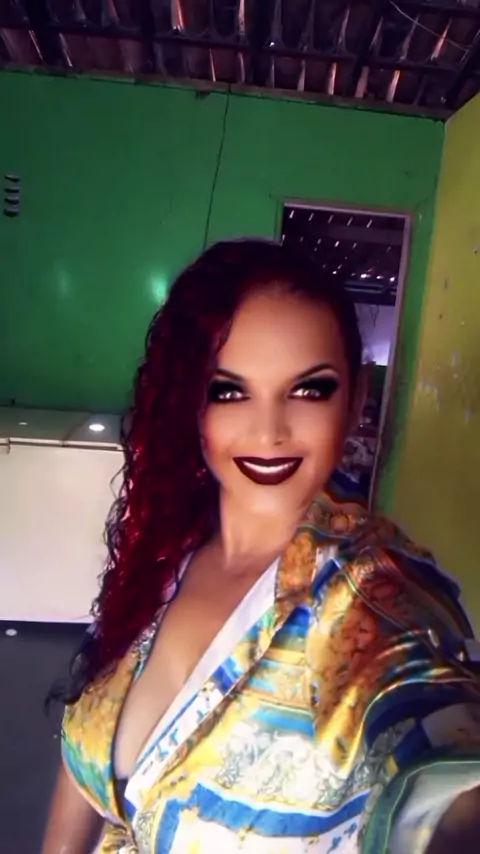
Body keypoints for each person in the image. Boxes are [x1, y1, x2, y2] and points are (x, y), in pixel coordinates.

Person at [42, 239, 480, 854]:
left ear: (357, 398)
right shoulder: (164, 555)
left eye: (309, 390)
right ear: (191, 404)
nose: (269, 431)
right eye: (228, 391)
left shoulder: (374, 600)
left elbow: (439, 761)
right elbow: (84, 764)